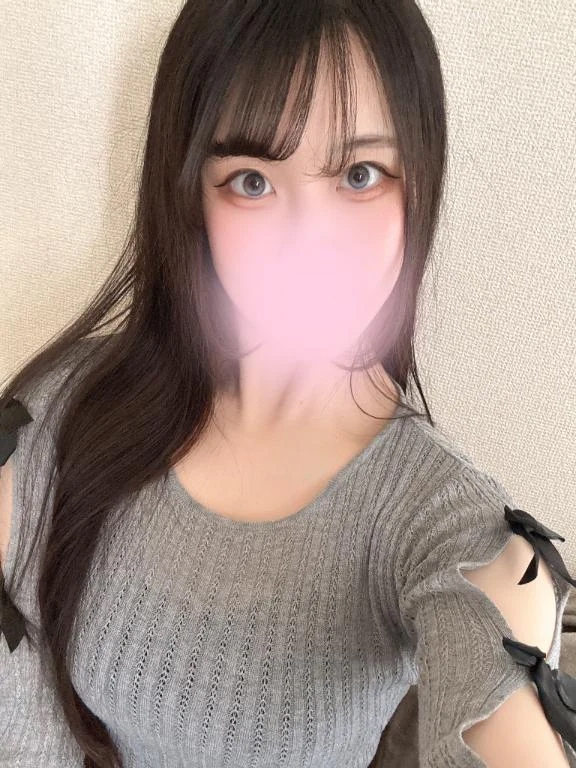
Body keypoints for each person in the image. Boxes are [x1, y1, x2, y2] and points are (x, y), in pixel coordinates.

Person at [1, 2, 575, 767]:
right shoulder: (60, 411)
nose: (309, 243)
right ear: (191, 197)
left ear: (420, 179)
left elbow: (500, 686)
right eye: (251, 182)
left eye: (359, 175)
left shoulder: (453, 530)